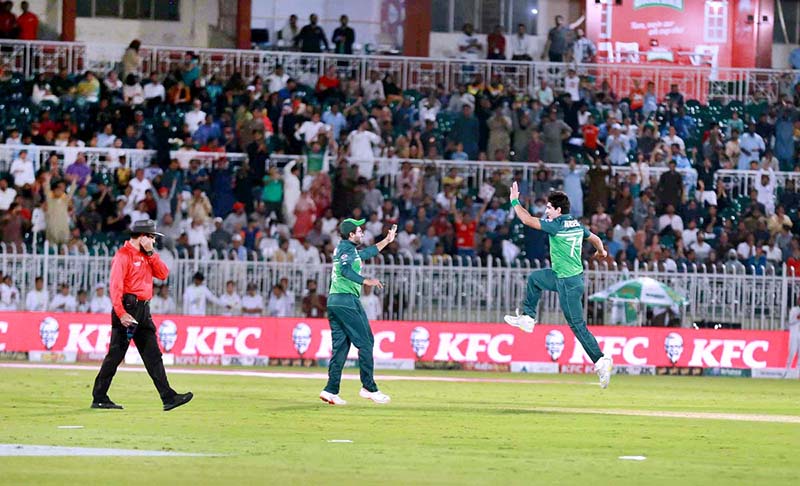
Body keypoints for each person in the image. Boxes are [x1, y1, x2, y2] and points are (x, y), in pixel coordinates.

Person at [503, 187, 614, 389]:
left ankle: (601, 360)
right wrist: (602, 252)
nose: (547, 212)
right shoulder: (578, 225)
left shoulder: (556, 226)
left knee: (577, 326)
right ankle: (528, 318)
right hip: (563, 277)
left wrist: (514, 202)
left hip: (568, 283)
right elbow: (596, 239)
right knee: (535, 278)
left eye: (549, 208)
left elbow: (527, 220)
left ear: (558, 210)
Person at [91, 219, 193, 411]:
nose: (154, 242)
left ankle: (168, 397)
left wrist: (151, 253)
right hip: (128, 309)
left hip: (143, 310)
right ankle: (99, 396)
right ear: (143, 237)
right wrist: (121, 313)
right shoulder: (123, 255)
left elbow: (163, 274)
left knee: (153, 355)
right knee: (115, 355)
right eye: (152, 238)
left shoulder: (147, 255)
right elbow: (115, 287)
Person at [319, 218, 397, 406]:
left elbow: (368, 252)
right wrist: (366, 281)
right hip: (346, 300)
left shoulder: (348, 249)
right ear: (351, 235)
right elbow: (346, 271)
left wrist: (387, 240)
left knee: (341, 347)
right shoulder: (346, 249)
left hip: (335, 301)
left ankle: (330, 390)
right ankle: (368, 388)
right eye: (360, 231)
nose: (363, 233)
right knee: (366, 342)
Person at [786, 295, 800, 377]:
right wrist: (798, 317)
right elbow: (791, 321)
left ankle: (798, 374)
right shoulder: (794, 310)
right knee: (792, 353)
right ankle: (787, 371)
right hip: (794, 335)